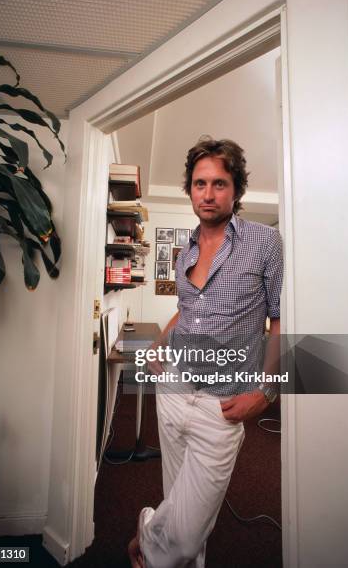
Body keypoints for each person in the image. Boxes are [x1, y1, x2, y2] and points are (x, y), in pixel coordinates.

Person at [128, 137, 283, 568]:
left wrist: (266, 393)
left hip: (223, 404)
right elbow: (186, 311)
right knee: (179, 510)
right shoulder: (185, 252)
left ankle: (146, 527)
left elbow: (279, 321)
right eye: (199, 184)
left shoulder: (266, 243)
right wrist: (158, 345)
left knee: (186, 530)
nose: (208, 193)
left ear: (236, 190)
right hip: (174, 389)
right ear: (190, 189)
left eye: (219, 183)